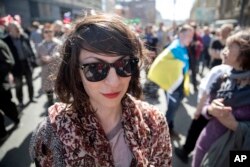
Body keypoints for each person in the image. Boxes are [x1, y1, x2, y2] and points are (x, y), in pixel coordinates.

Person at [29, 12, 172, 166]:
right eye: (95, 68)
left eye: (124, 64)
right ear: (76, 73)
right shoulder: (52, 133)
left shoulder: (154, 122)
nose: (114, 81)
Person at [192, 30, 250, 167]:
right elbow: (206, 106)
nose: (224, 51)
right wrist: (211, 109)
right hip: (206, 143)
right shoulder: (223, 77)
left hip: (237, 153)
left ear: (245, 54)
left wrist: (236, 126)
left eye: (229, 47)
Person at [148, 24, 194, 132]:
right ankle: (160, 131)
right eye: (189, 35)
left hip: (178, 85)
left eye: (192, 36)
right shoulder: (175, 47)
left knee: (173, 108)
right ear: (181, 34)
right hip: (172, 86)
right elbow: (160, 64)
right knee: (172, 109)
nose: (191, 38)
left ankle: (170, 128)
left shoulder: (181, 46)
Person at [3, 21, 37, 107]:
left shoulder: (24, 36)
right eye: (14, 27)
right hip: (16, 66)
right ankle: (20, 101)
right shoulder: (6, 40)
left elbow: (30, 50)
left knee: (30, 83)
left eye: (18, 26)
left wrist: (33, 61)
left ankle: (31, 97)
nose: (17, 28)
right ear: (10, 29)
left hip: (27, 63)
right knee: (19, 85)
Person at [37, 23, 61, 107]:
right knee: (49, 94)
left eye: (50, 31)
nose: (48, 33)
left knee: (60, 94)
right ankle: (51, 108)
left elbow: (65, 58)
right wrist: (42, 60)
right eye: (46, 31)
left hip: (57, 72)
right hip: (46, 73)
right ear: (43, 33)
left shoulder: (59, 44)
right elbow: (37, 61)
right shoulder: (40, 46)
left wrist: (55, 57)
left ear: (53, 32)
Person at [0, 39, 20, 142]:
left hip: (2, 84)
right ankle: (2, 133)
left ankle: (16, 119)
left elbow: (8, 62)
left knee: (7, 105)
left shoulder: (1, 44)